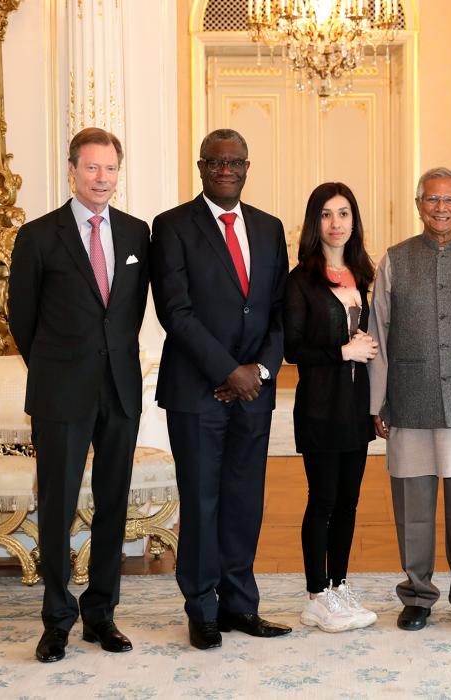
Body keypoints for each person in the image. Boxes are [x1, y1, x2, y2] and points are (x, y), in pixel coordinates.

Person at [8, 127, 150, 662]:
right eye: (91, 168)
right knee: (57, 507)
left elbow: (128, 315)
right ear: (72, 171)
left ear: (119, 172)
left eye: (110, 168)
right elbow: (22, 319)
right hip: (60, 392)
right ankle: (57, 619)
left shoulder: (138, 235)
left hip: (120, 391)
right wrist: (60, 363)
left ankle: (101, 615)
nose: (101, 178)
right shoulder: (39, 235)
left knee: (114, 505)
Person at [150, 128, 291, 650]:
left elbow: (279, 311)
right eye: (216, 162)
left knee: (244, 499)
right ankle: (202, 608)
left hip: (255, 391)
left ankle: (239, 605)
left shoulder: (270, 228)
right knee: (203, 500)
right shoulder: (171, 227)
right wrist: (226, 371)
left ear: (247, 167)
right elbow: (175, 312)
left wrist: (259, 372)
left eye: (235, 161)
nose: (226, 169)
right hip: (197, 390)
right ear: (201, 166)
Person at [368, 167, 451, 633]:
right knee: (414, 505)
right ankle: (418, 595)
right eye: (432, 199)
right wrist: (377, 401)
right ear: (418, 203)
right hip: (411, 396)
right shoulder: (395, 259)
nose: (441, 207)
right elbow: (378, 333)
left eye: (450, 200)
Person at [284, 182, 378, 633]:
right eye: (326, 214)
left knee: (349, 501)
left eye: (344, 213)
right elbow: (293, 349)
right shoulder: (300, 279)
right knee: (321, 500)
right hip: (320, 406)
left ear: (354, 221)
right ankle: (316, 594)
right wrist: (343, 351)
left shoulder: (364, 274)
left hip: (356, 408)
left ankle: (339, 586)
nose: (336, 223)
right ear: (313, 221)